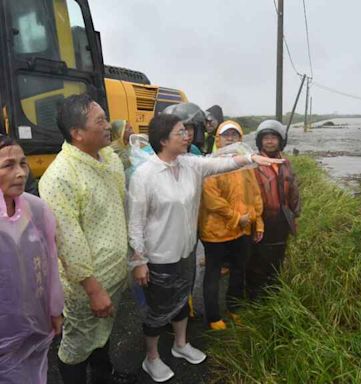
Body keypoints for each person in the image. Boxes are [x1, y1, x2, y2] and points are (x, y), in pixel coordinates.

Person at [128, 113, 282, 383]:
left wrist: (251, 158)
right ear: (163, 140)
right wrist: (138, 260)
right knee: (157, 310)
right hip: (159, 256)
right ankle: (151, 358)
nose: (187, 136)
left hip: (186, 250)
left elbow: (223, 164)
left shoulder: (190, 165)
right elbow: (136, 222)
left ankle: (180, 344)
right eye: (180, 132)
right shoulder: (145, 175)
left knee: (180, 302)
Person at [39, 94, 135, 384]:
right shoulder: (59, 178)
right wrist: (94, 290)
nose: (109, 126)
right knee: (76, 346)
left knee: (103, 332)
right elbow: (68, 242)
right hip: (86, 288)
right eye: (100, 121)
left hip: (113, 276)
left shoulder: (107, 157)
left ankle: (104, 377)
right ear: (77, 133)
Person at [0, 135, 64, 384]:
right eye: (8, 165)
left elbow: (50, 265)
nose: (20, 173)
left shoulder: (36, 210)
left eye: (23, 163)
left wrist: (54, 310)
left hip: (36, 326)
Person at [199, 120, 264, 330]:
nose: (230, 139)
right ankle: (213, 316)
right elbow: (211, 199)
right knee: (213, 274)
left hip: (242, 230)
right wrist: (237, 217)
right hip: (216, 232)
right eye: (226, 135)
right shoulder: (211, 164)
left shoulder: (246, 165)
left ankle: (234, 308)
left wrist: (258, 223)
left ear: (240, 139)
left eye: (234, 135)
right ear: (218, 138)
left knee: (239, 271)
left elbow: (255, 195)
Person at [246, 120, 301, 299]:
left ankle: (274, 290)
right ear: (260, 141)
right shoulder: (253, 164)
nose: (270, 142)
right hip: (261, 219)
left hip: (282, 219)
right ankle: (255, 295)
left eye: (273, 138)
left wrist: (295, 216)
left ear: (280, 141)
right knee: (258, 258)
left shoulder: (285, 163)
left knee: (278, 255)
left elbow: (293, 191)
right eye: (266, 138)